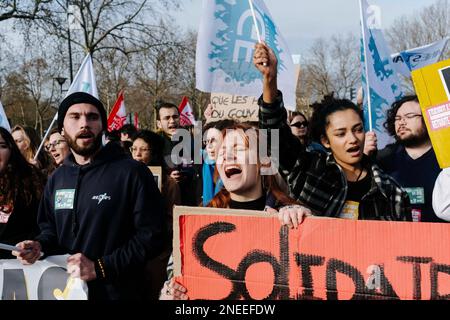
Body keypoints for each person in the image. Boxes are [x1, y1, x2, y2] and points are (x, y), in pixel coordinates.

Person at [13, 92, 165, 300]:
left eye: (92, 117)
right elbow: (50, 230)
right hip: (66, 293)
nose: (84, 123)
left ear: (102, 126)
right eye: (75, 117)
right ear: (62, 129)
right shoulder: (57, 178)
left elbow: (153, 236)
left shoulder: (132, 173)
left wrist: (100, 267)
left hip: (120, 294)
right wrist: (38, 246)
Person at [253, 42, 412, 222]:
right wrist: (270, 79)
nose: (352, 139)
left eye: (358, 130)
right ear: (325, 141)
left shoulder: (391, 192)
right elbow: (273, 135)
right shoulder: (310, 170)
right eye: (340, 134)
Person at [160, 123, 311, 299]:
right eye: (222, 151)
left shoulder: (290, 215)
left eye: (238, 148)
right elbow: (176, 277)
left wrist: (306, 226)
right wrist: (171, 294)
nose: (227, 155)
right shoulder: (197, 224)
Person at [368, 95, 444, 223]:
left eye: (409, 116)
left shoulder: (445, 157)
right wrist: (364, 157)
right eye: (397, 118)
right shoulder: (383, 158)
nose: (402, 122)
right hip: (397, 237)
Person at [131, 129, 180, 299]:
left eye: (143, 150)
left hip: (156, 255)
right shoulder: (124, 179)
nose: (137, 154)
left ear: (154, 153)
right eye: (134, 148)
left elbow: (173, 220)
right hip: (129, 254)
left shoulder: (169, 183)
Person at [0, 127, 45, 259]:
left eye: (2, 146)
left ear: (11, 150)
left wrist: (33, 246)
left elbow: (45, 227)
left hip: (21, 266)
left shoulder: (29, 181)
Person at [156, 101, 200, 206]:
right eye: (167, 118)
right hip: (165, 201)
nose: (172, 121)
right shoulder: (155, 144)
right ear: (159, 123)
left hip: (190, 200)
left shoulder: (192, 141)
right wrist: (166, 177)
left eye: (175, 117)